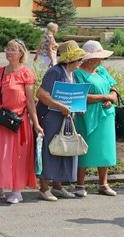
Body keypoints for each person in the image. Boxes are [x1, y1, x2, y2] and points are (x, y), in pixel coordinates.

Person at [0, 39, 44, 204]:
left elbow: (30, 101)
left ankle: (16, 190)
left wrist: (36, 123)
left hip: (17, 122)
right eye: (7, 49)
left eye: (13, 49)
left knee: (16, 156)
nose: (8, 52)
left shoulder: (26, 73)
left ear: (21, 53)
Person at [36, 40, 86, 201]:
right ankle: (44, 188)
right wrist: (60, 105)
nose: (81, 62)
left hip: (65, 118)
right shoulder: (55, 72)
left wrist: (79, 106)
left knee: (63, 149)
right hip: (50, 117)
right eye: (79, 59)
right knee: (49, 149)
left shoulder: (72, 74)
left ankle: (58, 186)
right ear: (72, 59)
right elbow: (41, 94)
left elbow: (73, 96)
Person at [73, 40, 118, 197]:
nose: (101, 59)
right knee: (85, 148)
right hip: (87, 116)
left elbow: (113, 88)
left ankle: (103, 184)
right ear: (90, 58)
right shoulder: (77, 73)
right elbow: (80, 96)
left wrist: (111, 96)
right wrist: (104, 96)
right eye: (99, 56)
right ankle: (80, 184)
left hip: (107, 116)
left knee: (105, 149)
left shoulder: (101, 70)